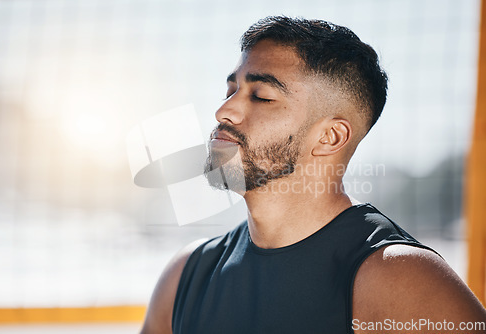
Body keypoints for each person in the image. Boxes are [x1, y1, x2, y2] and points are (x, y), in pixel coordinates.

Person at [140, 16, 486, 334]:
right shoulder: (185, 274)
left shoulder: (400, 278)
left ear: (330, 137)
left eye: (261, 96)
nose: (224, 110)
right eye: (232, 90)